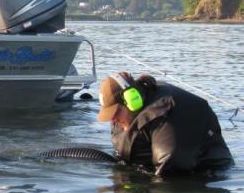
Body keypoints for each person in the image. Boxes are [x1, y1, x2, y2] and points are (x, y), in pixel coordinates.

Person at [97, 72, 234, 176]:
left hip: (207, 175)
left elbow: (171, 171)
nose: (112, 119)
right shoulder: (127, 116)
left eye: (115, 113)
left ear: (132, 100)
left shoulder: (163, 113)